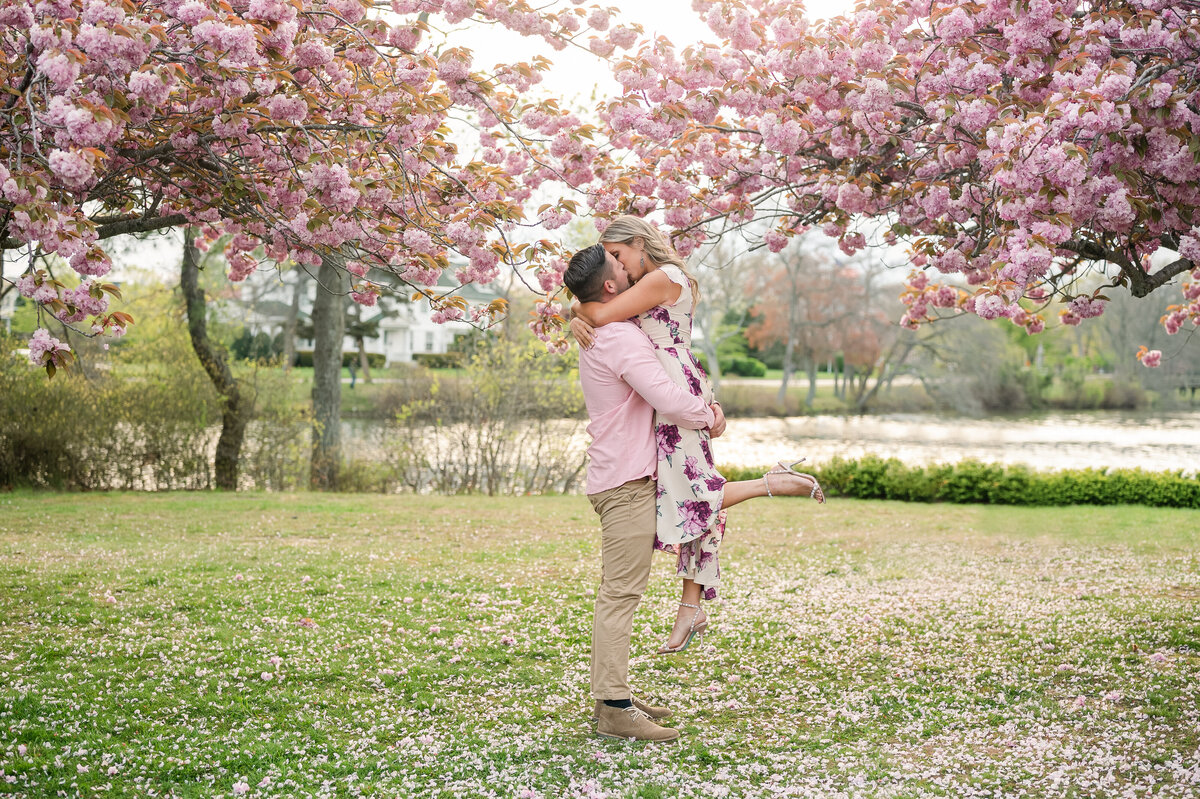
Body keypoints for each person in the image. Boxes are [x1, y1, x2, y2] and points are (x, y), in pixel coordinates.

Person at [570, 215, 825, 656]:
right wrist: (577, 309)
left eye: (616, 254)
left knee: (692, 493)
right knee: (685, 493)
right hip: (666, 385)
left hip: (669, 390)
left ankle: (771, 484)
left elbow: (600, 308)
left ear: (638, 243)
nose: (614, 266)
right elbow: (600, 303)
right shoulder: (652, 280)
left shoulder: (663, 277)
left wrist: (577, 312)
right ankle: (692, 606)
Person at [563, 242, 726, 742]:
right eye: (619, 264)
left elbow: (590, 305)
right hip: (626, 483)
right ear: (611, 287)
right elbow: (667, 400)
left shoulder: (611, 327)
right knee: (620, 595)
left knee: (619, 593)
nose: (629, 264)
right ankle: (613, 709)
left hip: (623, 477)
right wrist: (711, 416)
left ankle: (617, 695)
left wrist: (576, 309)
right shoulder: (620, 339)